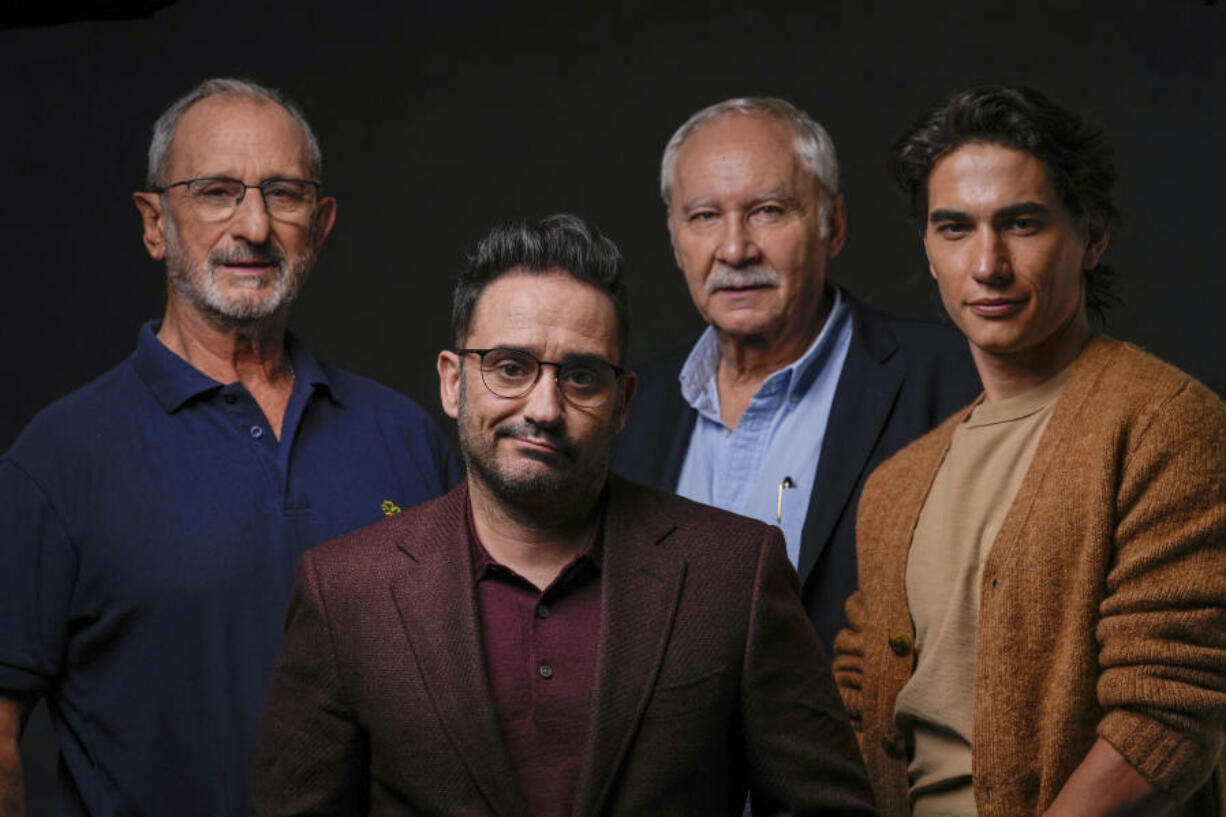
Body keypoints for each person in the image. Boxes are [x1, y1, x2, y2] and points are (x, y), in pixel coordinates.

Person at [249, 214, 877, 817]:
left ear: (623, 400)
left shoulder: (735, 572)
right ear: (451, 382)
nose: (544, 408)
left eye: (580, 377)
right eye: (510, 368)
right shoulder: (347, 591)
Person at [0, 78, 456, 817]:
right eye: (216, 191)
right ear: (155, 223)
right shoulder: (57, 459)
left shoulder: (403, 436)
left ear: (322, 222)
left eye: (284, 193)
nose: (254, 225)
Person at [833, 85, 1226, 816]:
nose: (987, 264)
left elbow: (1168, 711)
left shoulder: (1165, 425)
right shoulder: (896, 485)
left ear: (1092, 234)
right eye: (954, 228)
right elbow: (860, 701)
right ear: (927, 248)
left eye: (1021, 224)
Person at [614, 97, 979, 653]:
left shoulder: (952, 380)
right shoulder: (626, 407)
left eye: (768, 210)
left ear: (833, 227)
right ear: (674, 237)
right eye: (705, 216)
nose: (735, 249)